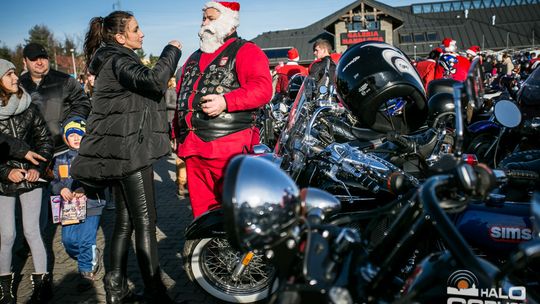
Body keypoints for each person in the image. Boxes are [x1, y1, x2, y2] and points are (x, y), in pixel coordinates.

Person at [71, 11, 182, 303]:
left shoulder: (110, 58)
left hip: (120, 152)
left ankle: (115, 289)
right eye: (136, 29)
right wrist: (172, 51)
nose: (142, 33)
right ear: (120, 37)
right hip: (129, 153)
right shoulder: (119, 59)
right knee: (145, 222)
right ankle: (156, 294)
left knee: (124, 222)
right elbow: (156, 81)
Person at [172, 1, 272, 217]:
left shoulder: (247, 51)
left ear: (230, 22)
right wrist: (174, 132)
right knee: (203, 215)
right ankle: (208, 251)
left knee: (237, 215)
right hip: (193, 150)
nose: (204, 23)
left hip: (231, 148)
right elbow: (182, 95)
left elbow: (263, 89)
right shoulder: (193, 58)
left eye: (211, 18)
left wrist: (226, 101)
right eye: (204, 18)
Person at [0, 59, 54, 304]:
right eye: (8, 74)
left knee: (33, 231)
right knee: (6, 235)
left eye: (14, 73)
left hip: (31, 179)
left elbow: (45, 141)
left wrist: (37, 167)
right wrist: (5, 171)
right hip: (3, 182)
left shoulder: (29, 107)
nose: (14, 78)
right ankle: (5, 289)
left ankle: (42, 286)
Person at [50, 119, 105, 289]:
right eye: (71, 135)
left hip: (92, 204)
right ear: (65, 138)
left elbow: (102, 178)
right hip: (70, 208)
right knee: (69, 241)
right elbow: (53, 181)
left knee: (86, 239)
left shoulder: (93, 156)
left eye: (78, 135)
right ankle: (89, 255)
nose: (75, 138)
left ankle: (85, 272)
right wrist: (60, 189)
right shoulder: (59, 159)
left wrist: (85, 187)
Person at [19, 42, 91, 154]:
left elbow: (82, 103)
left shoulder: (65, 80)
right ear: (25, 61)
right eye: (34, 59)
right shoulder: (18, 85)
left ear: (48, 58)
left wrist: (70, 126)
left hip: (64, 148)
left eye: (42, 58)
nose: (39, 62)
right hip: (32, 152)